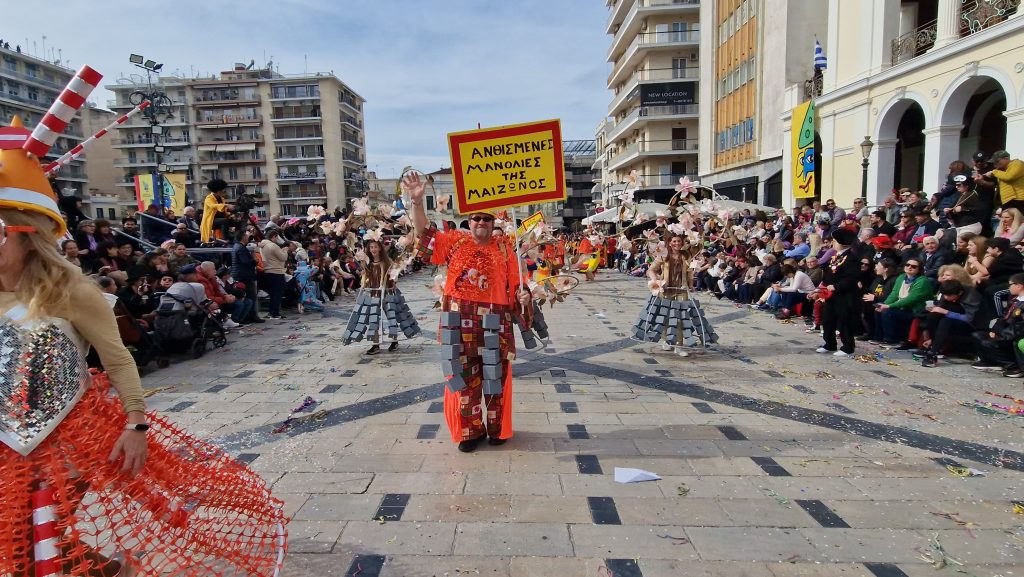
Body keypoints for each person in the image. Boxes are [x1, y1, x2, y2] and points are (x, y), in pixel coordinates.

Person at [0, 117, 286, 576]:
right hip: (4, 446)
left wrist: (136, 426)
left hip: (65, 444)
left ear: (28, 231)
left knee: (37, 542)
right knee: (18, 552)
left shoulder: (71, 290)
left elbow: (116, 360)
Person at [407, 171, 531, 453]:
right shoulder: (454, 242)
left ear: (493, 222)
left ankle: (498, 430)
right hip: (458, 324)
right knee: (464, 383)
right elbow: (424, 236)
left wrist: (524, 297)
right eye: (476, 218)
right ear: (469, 221)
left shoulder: (505, 250)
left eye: (487, 219)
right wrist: (416, 202)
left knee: (496, 381)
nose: (481, 223)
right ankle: (469, 433)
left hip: (495, 324)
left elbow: (517, 287)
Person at [635, 234, 718, 356]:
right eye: (674, 241)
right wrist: (656, 281)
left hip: (681, 289)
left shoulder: (686, 255)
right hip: (666, 289)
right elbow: (651, 270)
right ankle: (667, 340)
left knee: (679, 317)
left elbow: (690, 270)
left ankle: (678, 345)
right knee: (664, 316)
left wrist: (691, 284)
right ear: (669, 243)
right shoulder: (663, 255)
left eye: (679, 241)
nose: (677, 243)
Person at [341, 238, 421, 354]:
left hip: (387, 292)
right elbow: (365, 276)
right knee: (373, 318)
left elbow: (392, 275)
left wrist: (391, 280)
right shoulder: (367, 262)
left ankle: (394, 341)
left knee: (391, 315)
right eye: (371, 247)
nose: (373, 249)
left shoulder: (386, 262)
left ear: (380, 248)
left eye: (375, 247)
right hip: (373, 292)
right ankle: (375, 343)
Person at [814, 228, 861, 356]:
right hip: (830, 295)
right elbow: (829, 274)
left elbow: (852, 278)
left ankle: (848, 346)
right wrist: (823, 286)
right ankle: (829, 344)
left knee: (844, 321)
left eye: (834, 241)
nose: (832, 243)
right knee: (828, 319)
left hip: (845, 295)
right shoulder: (836, 256)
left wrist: (836, 287)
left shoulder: (852, 258)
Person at [874, 257, 933, 349]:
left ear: (919, 269)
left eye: (913, 266)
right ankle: (878, 337)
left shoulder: (922, 281)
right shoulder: (901, 277)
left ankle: (892, 340)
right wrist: (884, 304)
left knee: (888, 312)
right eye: (907, 265)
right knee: (879, 309)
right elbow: (894, 294)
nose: (909, 267)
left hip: (916, 311)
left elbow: (910, 300)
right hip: (902, 308)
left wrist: (888, 306)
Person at [259, 228, 292, 319]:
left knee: (272, 293)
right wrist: (285, 250)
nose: (277, 239)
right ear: (273, 237)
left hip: (268, 270)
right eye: (276, 237)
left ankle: (271, 311)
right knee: (277, 293)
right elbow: (283, 258)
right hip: (276, 270)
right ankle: (275, 312)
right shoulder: (273, 246)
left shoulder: (263, 245)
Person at [199, 178, 234, 244]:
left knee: (233, 220)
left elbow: (224, 211)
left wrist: (232, 216)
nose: (224, 191)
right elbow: (213, 205)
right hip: (211, 221)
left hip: (218, 220)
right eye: (223, 189)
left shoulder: (221, 199)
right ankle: (226, 237)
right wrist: (226, 205)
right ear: (218, 190)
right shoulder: (209, 198)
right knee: (224, 221)